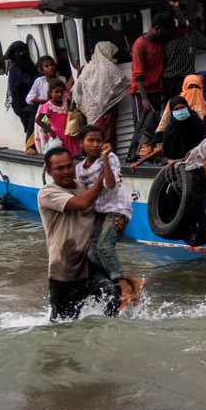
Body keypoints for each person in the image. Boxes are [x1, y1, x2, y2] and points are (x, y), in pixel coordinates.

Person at [38, 147, 120, 323]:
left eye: (69, 166)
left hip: (90, 263)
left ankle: (103, 344)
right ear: (49, 171)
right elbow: (82, 203)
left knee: (113, 299)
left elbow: (102, 213)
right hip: (65, 270)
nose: (66, 171)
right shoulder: (47, 193)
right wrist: (102, 176)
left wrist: (119, 221)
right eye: (60, 168)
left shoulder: (84, 187)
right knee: (62, 325)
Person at [75, 125, 143, 310]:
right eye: (91, 140)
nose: (96, 145)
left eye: (99, 140)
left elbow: (110, 184)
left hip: (117, 209)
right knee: (91, 253)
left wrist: (104, 158)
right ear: (81, 143)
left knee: (104, 246)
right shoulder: (80, 168)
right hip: (99, 212)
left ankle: (124, 289)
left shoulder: (110, 158)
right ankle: (131, 280)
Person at [71, 42, 128, 149]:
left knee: (95, 138)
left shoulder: (88, 68)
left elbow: (77, 90)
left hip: (91, 112)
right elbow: (124, 84)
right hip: (105, 112)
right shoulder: (108, 67)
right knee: (107, 139)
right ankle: (108, 161)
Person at [130, 10, 180, 125]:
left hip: (156, 91)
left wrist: (176, 9)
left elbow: (182, 29)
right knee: (141, 125)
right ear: (157, 29)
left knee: (155, 124)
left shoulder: (160, 40)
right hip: (141, 93)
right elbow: (138, 75)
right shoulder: (140, 45)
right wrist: (144, 98)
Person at [161, 3, 206, 105]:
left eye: (185, 15)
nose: (184, 18)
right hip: (170, 80)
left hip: (187, 78)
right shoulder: (169, 35)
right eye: (181, 15)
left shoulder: (192, 34)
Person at [34, 79, 81, 156]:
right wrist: (51, 131)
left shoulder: (65, 100)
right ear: (50, 93)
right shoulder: (48, 106)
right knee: (60, 155)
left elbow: (70, 107)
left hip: (69, 133)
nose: (59, 94)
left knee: (72, 155)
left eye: (61, 92)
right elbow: (38, 120)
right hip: (57, 135)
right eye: (56, 92)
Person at [4, 41, 39, 147]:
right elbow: (29, 81)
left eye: (24, 51)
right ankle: (29, 145)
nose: (22, 55)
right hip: (21, 104)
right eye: (18, 53)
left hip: (31, 100)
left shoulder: (29, 65)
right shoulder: (15, 69)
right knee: (35, 113)